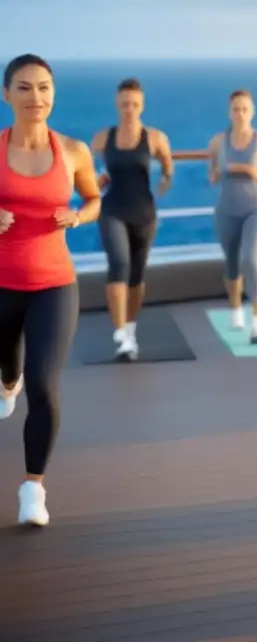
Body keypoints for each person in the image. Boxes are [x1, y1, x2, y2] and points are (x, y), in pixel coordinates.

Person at [0, 54, 102, 526]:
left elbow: (94, 197)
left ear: (53, 94)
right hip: (2, 283)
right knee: (10, 367)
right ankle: (7, 381)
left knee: (45, 385)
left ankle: (32, 489)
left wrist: (78, 215)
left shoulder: (75, 151)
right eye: (24, 88)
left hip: (54, 284)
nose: (35, 97)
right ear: (7, 95)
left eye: (43, 87)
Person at [90, 78, 174, 361]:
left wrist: (165, 179)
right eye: (125, 103)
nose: (129, 109)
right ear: (117, 104)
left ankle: (130, 328)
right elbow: (89, 172)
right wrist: (95, 182)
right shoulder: (103, 138)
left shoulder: (155, 138)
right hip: (112, 209)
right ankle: (121, 336)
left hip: (144, 213)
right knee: (119, 264)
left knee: (137, 276)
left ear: (142, 105)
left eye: (135, 104)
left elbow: (167, 165)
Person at [207, 90, 257, 344]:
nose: (240, 114)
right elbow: (212, 176)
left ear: (252, 112)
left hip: (256, 208)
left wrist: (255, 173)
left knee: (250, 258)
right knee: (231, 263)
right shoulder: (218, 141)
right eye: (236, 109)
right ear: (229, 112)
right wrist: (219, 171)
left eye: (244, 109)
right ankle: (236, 308)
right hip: (227, 209)